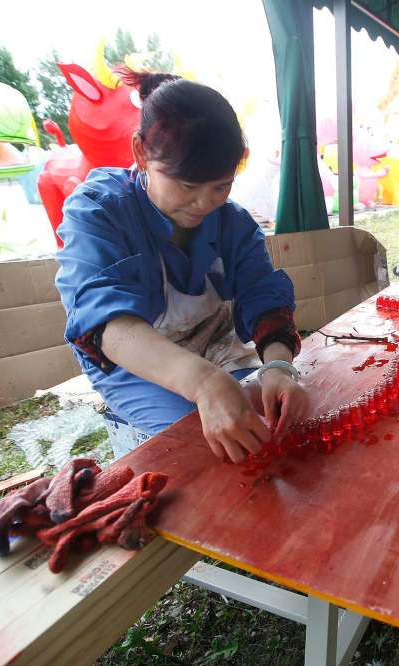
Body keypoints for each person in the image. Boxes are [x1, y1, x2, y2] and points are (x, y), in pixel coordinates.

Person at [55, 70, 308, 463]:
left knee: (272, 417)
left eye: (220, 186)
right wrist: (204, 382)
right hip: (133, 363)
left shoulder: (233, 223)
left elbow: (264, 298)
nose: (204, 203)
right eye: (187, 186)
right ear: (141, 153)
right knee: (204, 441)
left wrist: (277, 365)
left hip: (217, 350)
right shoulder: (100, 211)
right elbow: (106, 325)